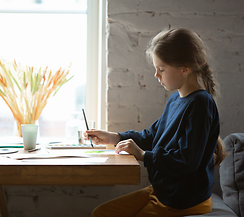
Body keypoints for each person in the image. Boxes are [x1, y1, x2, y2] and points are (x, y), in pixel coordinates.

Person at [84, 28, 226, 217]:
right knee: (101, 212)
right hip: (163, 193)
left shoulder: (200, 104)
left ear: (184, 69)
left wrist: (143, 155)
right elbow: (152, 136)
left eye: (161, 69)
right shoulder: (176, 100)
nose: (156, 75)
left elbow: (187, 161)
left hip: (183, 201)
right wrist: (114, 137)